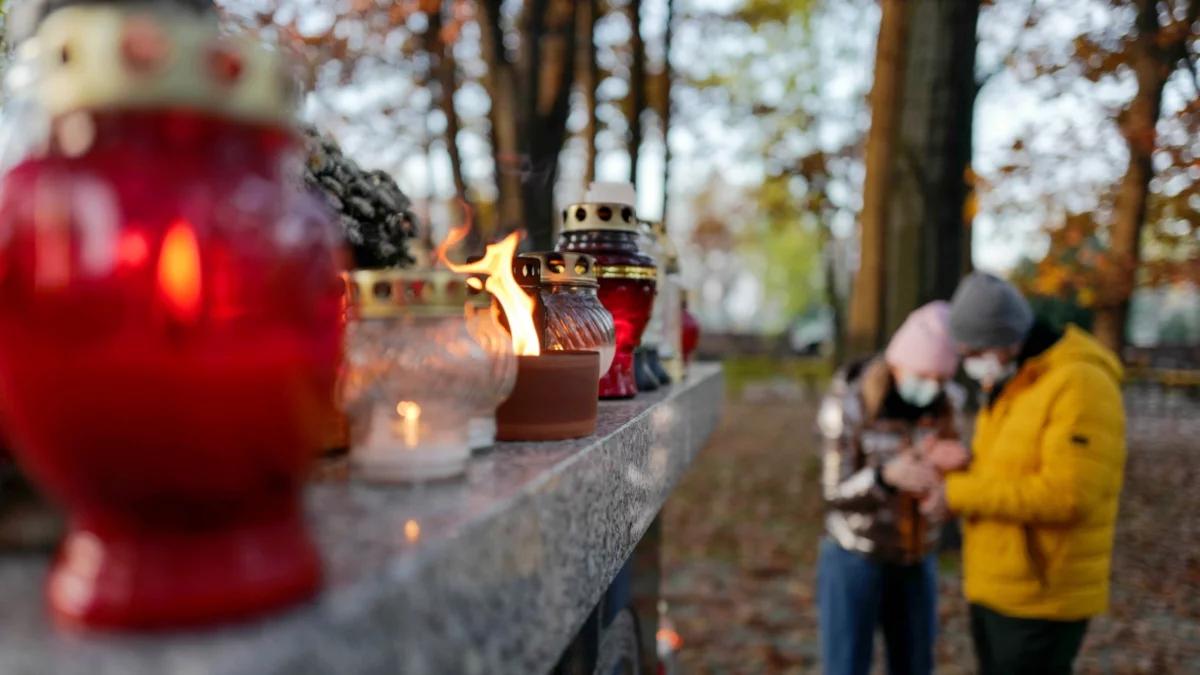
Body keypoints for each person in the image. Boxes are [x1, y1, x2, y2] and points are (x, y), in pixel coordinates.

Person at [927, 272, 1126, 675]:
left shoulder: (1079, 383)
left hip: (1042, 594)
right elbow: (1013, 467)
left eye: (974, 352)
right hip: (996, 582)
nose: (969, 363)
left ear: (1005, 341)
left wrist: (958, 493)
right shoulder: (1013, 379)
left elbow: (1068, 494)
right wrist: (966, 463)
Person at [816, 301, 970, 675]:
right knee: (847, 665)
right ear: (897, 362)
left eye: (940, 377)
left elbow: (956, 485)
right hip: (854, 556)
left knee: (916, 664)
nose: (930, 386)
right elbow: (833, 495)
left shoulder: (948, 405)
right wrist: (886, 477)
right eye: (922, 374)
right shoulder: (849, 403)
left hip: (917, 557)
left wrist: (949, 485)